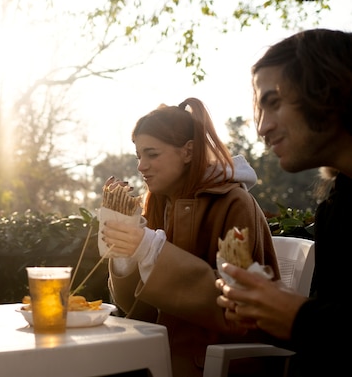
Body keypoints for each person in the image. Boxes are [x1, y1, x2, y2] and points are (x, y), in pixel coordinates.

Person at [102, 97, 280, 377]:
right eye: (139, 156)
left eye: (152, 154)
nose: (141, 166)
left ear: (188, 151)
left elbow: (239, 306)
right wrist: (126, 253)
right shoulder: (159, 203)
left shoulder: (234, 203)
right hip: (160, 352)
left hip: (215, 360)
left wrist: (150, 250)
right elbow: (140, 311)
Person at [216, 29, 351, 376]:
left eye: (273, 103)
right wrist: (265, 314)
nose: (262, 127)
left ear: (331, 90)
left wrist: (296, 316)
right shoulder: (337, 207)